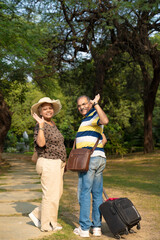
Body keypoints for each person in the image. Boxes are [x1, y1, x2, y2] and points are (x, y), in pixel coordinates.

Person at [73, 94, 109, 238]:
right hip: (98, 159)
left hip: (91, 161)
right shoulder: (87, 119)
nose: (81, 107)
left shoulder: (94, 114)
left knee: (85, 192)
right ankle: (97, 227)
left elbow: (105, 120)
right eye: (79, 105)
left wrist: (95, 104)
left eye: (84, 104)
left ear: (89, 103)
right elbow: (103, 139)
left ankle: (84, 228)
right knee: (96, 193)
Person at [29, 97, 66, 232]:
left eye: (50, 108)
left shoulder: (53, 123)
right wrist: (41, 126)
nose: (48, 110)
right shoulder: (40, 125)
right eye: (45, 109)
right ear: (40, 112)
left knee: (57, 194)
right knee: (49, 195)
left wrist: (63, 161)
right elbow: (41, 144)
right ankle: (47, 224)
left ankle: (37, 214)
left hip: (58, 163)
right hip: (48, 162)